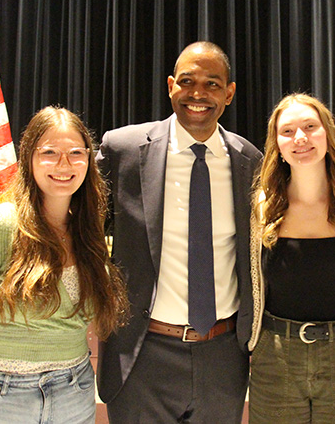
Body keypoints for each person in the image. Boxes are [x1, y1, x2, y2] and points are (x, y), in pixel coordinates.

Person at [0, 106, 129, 424]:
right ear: (28, 157)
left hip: (74, 395)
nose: (64, 164)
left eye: (75, 152)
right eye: (49, 152)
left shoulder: (87, 230)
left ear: (89, 159)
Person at [95, 41, 262, 422]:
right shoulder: (124, 149)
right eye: (187, 81)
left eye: (212, 84)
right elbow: (79, 224)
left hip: (222, 356)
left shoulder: (249, 162)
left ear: (230, 93)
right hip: (141, 354)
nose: (198, 94)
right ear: (171, 85)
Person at [248, 93, 335, 423]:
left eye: (310, 126)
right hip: (275, 356)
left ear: (328, 134)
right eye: (288, 131)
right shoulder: (261, 207)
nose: (300, 138)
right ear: (276, 144)